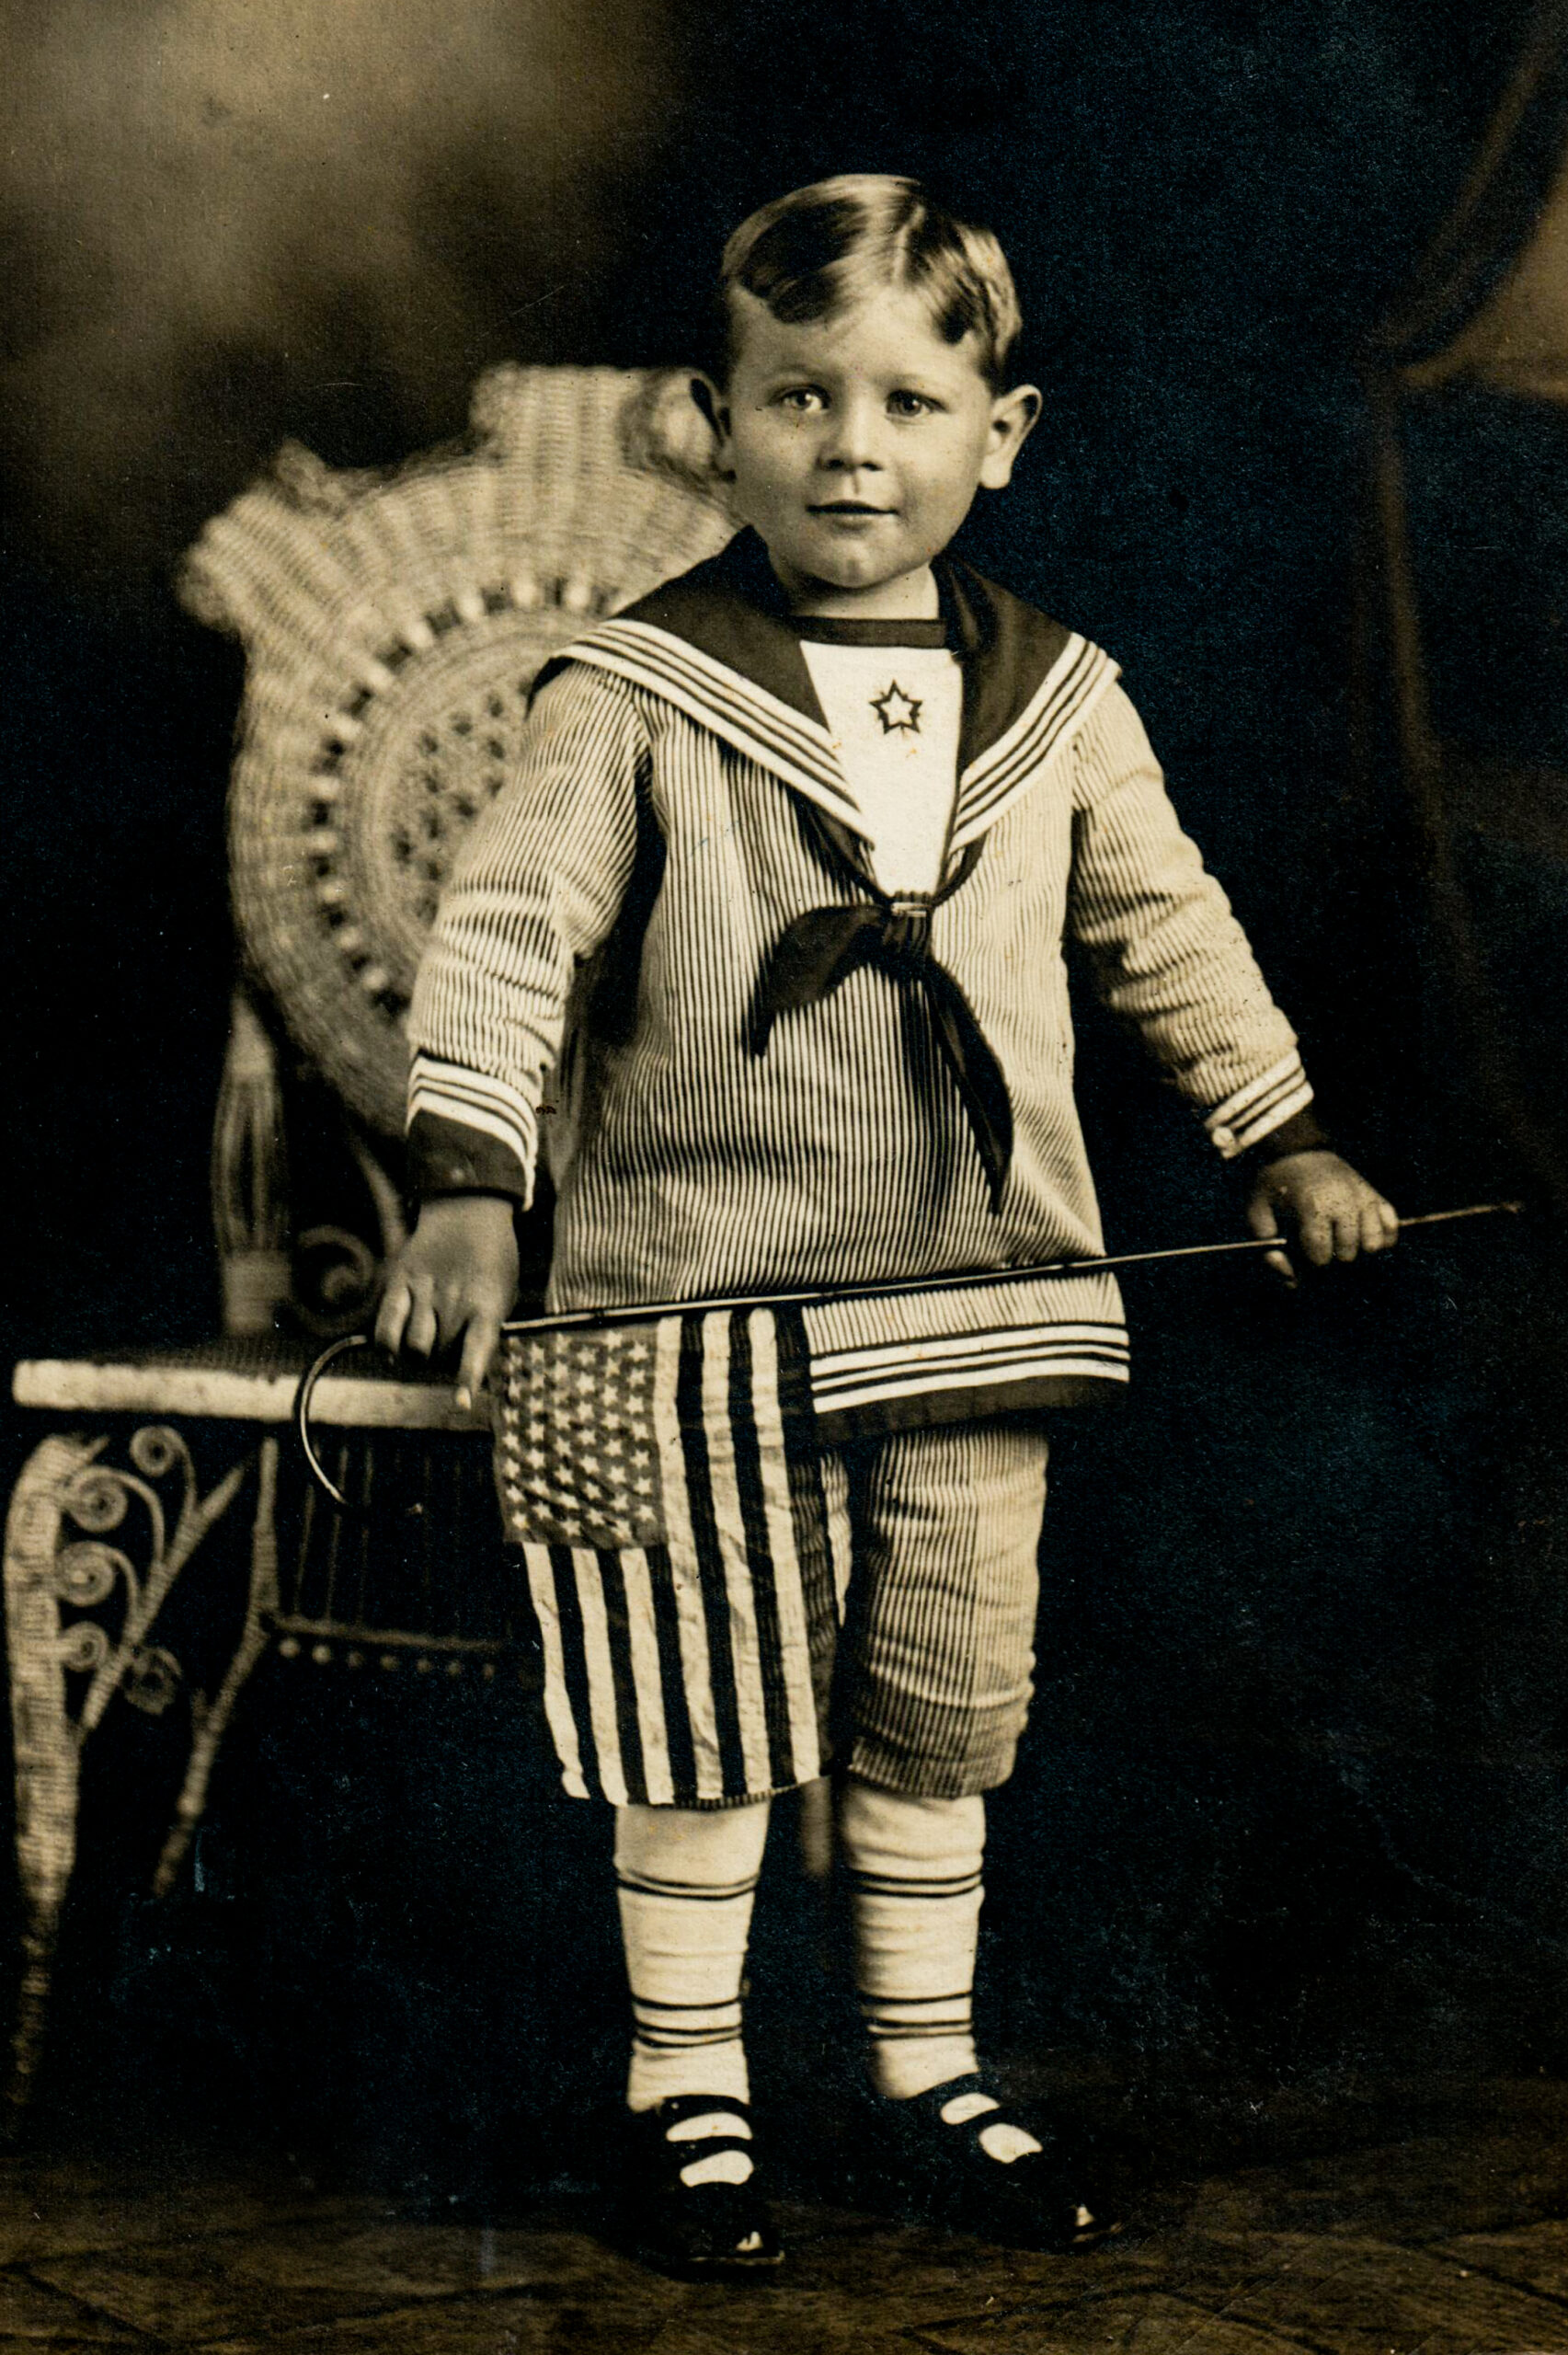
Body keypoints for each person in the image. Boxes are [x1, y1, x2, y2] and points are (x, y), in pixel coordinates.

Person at [375, 173, 1398, 2275]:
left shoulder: (1061, 696)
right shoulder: (641, 689)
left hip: (970, 1294)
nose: (855, 442)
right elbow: (499, 940)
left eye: (912, 399)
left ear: (996, 433)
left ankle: (924, 2067)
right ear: (709, 420)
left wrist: (1275, 1135)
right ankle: (692, 2087)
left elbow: (1163, 929)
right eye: (800, 394)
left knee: (941, 1691)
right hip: (686, 1314)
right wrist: (475, 1189)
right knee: (704, 1696)